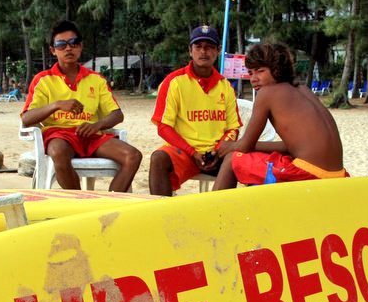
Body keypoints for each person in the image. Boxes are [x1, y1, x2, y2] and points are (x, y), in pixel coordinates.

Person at [20, 20, 141, 192]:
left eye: (73, 43)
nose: (68, 48)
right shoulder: (43, 80)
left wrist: (97, 125)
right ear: (53, 50)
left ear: (80, 47)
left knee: (133, 156)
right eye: (61, 45)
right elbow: (26, 118)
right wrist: (57, 105)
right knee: (58, 151)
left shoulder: (96, 79)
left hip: (91, 134)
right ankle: (80, 200)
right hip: (59, 135)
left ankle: (107, 204)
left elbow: (117, 114)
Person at [213, 43, 347, 190]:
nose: (253, 79)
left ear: (277, 70)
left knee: (232, 159)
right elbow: (292, 147)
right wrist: (252, 146)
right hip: (338, 175)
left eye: (260, 71)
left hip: (308, 173)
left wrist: (228, 146)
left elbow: (244, 147)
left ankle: (214, 211)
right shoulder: (304, 90)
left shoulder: (267, 93)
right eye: (250, 73)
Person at [149, 25, 241, 196]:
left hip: (218, 154)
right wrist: (192, 152)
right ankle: (162, 215)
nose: (203, 52)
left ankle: (218, 214)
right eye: (198, 46)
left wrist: (218, 150)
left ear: (218, 51)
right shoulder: (174, 82)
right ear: (190, 51)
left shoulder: (225, 86)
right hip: (185, 152)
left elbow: (233, 128)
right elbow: (163, 127)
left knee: (237, 160)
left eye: (209, 47)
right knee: (158, 158)